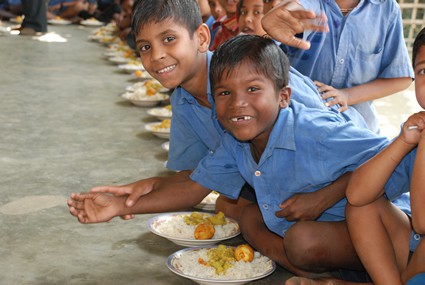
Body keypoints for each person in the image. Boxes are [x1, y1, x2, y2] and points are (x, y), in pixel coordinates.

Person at [68, 34, 393, 279]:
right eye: (224, 93)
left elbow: (389, 154)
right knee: (240, 213)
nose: (238, 103)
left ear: (283, 96)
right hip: (296, 227)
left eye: (253, 89)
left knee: (303, 242)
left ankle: (327, 270)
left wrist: (324, 197)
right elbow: (193, 188)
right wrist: (120, 207)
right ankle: (301, 265)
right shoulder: (236, 141)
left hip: (370, 230)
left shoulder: (316, 129)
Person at [343, 27, 425, 285]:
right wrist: (403, 141)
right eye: (424, 71)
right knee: (363, 207)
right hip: (414, 252)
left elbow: (423, 222)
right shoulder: (418, 130)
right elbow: (356, 194)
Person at [261, 0, 414, 134]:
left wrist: (348, 95)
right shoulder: (303, 5)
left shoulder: (387, 8)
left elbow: (400, 77)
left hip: (359, 131)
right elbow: (262, 57)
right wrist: (268, 34)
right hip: (298, 129)